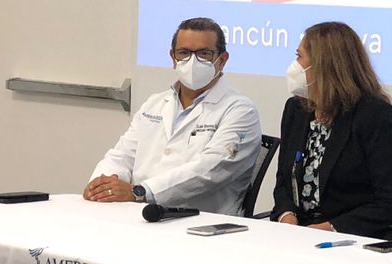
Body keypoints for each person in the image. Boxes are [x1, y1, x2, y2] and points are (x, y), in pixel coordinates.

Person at [83, 18, 262, 214]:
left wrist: (140, 192)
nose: (192, 61)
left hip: (200, 221)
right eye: (184, 53)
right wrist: (101, 185)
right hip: (140, 213)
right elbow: (122, 155)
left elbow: (209, 171)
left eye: (204, 54)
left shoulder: (240, 110)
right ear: (173, 57)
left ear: (223, 59)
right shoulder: (155, 103)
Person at [272, 22, 392, 238]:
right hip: (300, 236)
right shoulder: (296, 109)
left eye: (299, 56)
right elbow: (284, 184)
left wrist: (330, 228)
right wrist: (287, 217)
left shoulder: (374, 115)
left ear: (324, 65)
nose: (295, 65)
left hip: (352, 237)